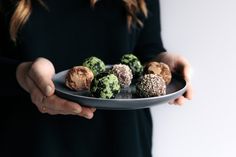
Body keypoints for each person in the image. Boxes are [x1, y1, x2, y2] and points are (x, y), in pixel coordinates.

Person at [0, 0, 193, 157]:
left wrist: (161, 63)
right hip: (32, 141)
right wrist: (22, 73)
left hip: (123, 141)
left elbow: (147, 49)